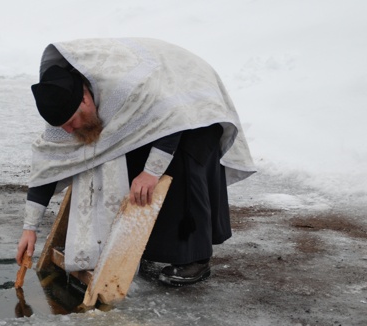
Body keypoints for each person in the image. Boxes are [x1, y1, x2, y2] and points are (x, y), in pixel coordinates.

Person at [16, 38, 255, 286]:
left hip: (187, 98)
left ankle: (195, 258)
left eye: (72, 121)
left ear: (85, 100)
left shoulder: (127, 86)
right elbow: (50, 164)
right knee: (131, 160)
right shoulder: (61, 98)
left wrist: (151, 172)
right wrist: (29, 228)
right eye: (62, 126)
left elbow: (172, 116)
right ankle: (150, 248)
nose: (69, 131)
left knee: (180, 165)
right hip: (156, 100)